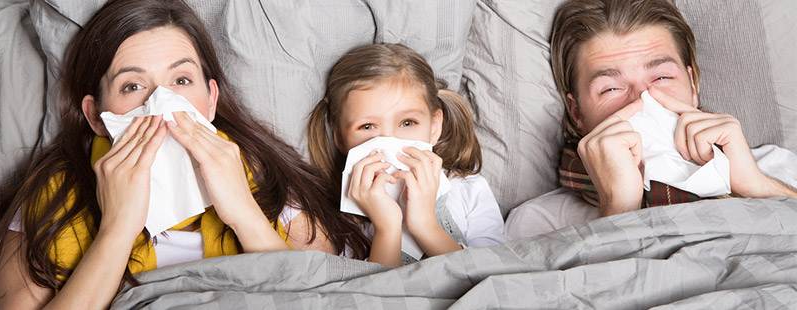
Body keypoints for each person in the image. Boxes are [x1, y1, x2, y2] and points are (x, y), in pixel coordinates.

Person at [0, 0, 369, 308]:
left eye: (181, 80)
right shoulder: (53, 199)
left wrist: (244, 213)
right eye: (132, 86)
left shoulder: (272, 184)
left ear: (211, 100)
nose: (162, 104)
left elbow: (320, 299)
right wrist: (117, 229)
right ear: (96, 116)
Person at [505, 0, 797, 238]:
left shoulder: (777, 169)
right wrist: (619, 208)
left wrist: (758, 188)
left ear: (693, 86)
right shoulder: (540, 222)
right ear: (577, 112)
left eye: (661, 78)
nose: (643, 100)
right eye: (610, 88)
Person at [307, 43, 506, 266]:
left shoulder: (470, 191)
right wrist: (387, 228)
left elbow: (494, 275)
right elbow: (373, 288)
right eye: (367, 127)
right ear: (340, 138)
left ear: (434, 128)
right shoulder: (338, 219)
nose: (389, 140)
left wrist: (426, 225)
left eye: (407, 123)